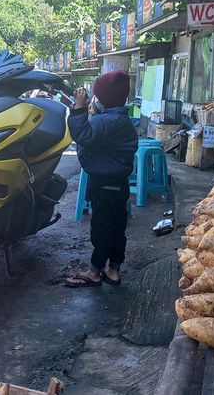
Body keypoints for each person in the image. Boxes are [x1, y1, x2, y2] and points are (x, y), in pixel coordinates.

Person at [65, 70, 138, 287]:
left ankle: (94, 272)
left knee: (101, 229)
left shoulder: (108, 121)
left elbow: (82, 135)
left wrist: (78, 109)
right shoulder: (119, 119)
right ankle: (113, 270)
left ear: (103, 98)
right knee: (117, 228)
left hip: (104, 185)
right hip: (118, 184)